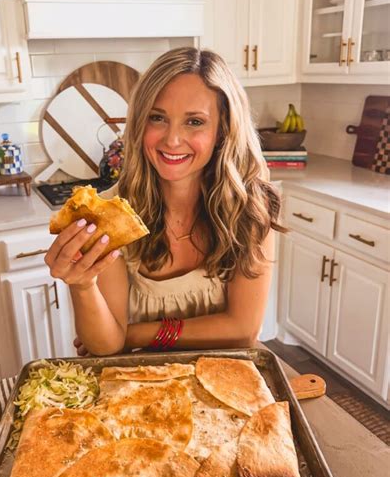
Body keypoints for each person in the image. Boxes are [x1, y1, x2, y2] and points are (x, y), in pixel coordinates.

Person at [44, 47, 284, 356]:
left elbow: (243, 332)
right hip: (144, 389)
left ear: (222, 130)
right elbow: (104, 346)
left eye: (194, 122)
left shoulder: (251, 209)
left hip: (228, 381)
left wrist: (134, 335)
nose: (172, 140)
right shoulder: (111, 215)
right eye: (157, 118)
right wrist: (82, 285)